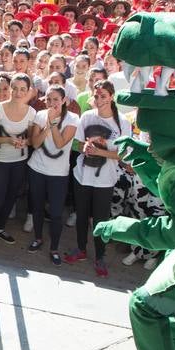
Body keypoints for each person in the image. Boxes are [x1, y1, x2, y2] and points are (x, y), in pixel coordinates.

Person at [68, 81, 125, 276]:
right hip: (82, 176)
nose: (99, 100)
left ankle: (100, 256)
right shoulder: (86, 116)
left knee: (101, 219)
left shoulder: (122, 122)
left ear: (111, 96)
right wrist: (84, 147)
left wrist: (102, 149)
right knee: (81, 215)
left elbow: (123, 155)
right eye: (97, 96)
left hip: (105, 180)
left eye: (103, 96)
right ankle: (81, 249)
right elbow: (76, 143)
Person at [0, 73, 34, 247]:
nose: (18, 92)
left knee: (11, 197)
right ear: (10, 89)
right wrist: (8, 140)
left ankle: (0, 227)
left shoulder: (32, 113)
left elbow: (33, 140)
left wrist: (25, 142)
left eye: (22, 89)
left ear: (28, 91)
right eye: (15, 88)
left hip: (19, 161)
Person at [26, 85, 78, 265]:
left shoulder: (73, 118)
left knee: (56, 213)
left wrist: (54, 125)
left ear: (64, 101)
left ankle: (54, 248)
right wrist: (47, 126)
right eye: (48, 99)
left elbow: (60, 143)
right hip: (37, 169)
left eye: (56, 99)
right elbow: (35, 143)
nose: (52, 103)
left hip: (58, 174)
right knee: (37, 208)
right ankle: (38, 238)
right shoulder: (40, 116)